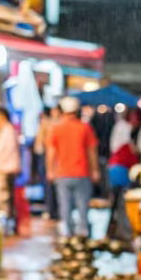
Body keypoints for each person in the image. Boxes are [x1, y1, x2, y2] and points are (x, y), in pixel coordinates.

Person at [46, 96, 100, 237]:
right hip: (82, 172)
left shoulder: (56, 128)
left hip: (62, 174)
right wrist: (95, 170)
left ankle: (68, 236)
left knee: (65, 207)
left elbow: (51, 152)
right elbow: (91, 151)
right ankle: (83, 235)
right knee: (83, 207)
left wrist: (50, 170)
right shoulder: (84, 127)